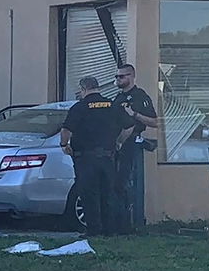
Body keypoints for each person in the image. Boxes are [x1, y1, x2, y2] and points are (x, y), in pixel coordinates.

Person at [59, 76, 134, 236]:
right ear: (97, 87)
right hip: (108, 158)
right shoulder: (112, 105)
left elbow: (66, 130)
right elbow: (129, 126)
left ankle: (94, 231)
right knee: (107, 194)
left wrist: (64, 145)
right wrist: (119, 142)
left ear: (83, 88)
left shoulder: (80, 107)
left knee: (89, 195)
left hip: (85, 159)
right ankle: (109, 231)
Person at [112, 64, 158, 233]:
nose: (118, 80)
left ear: (131, 76)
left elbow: (154, 122)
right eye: (116, 77)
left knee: (125, 183)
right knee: (116, 184)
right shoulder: (118, 97)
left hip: (130, 144)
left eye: (121, 77)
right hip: (117, 144)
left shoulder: (140, 96)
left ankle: (130, 223)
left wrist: (135, 114)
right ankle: (118, 223)